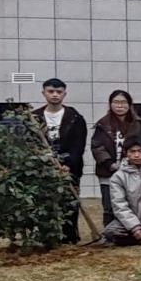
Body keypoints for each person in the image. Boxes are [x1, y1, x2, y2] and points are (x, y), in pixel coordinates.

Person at [34, 78, 87, 243]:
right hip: (43, 169)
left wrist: (68, 165)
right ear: (44, 93)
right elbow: (30, 144)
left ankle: (69, 237)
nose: (55, 95)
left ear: (65, 94)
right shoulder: (34, 118)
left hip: (69, 169)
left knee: (69, 203)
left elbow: (78, 145)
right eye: (51, 91)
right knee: (45, 203)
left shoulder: (75, 117)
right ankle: (47, 237)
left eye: (59, 92)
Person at [91, 89, 141, 228]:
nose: (120, 106)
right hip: (108, 171)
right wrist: (109, 164)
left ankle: (130, 230)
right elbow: (97, 147)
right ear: (110, 104)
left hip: (132, 171)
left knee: (130, 204)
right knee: (109, 206)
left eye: (123, 102)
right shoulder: (102, 125)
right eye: (116, 102)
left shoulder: (140, 125)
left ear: (129, 104)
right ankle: (109, 232)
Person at [101, 136, 141, 246]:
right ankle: (139, 236)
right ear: (126, 153)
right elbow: (119, 205)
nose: (136, 155)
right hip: (132, 218)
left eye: (140, 151)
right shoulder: (118, 177)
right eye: (132, 151)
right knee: (111, 232)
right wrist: (134, 227)